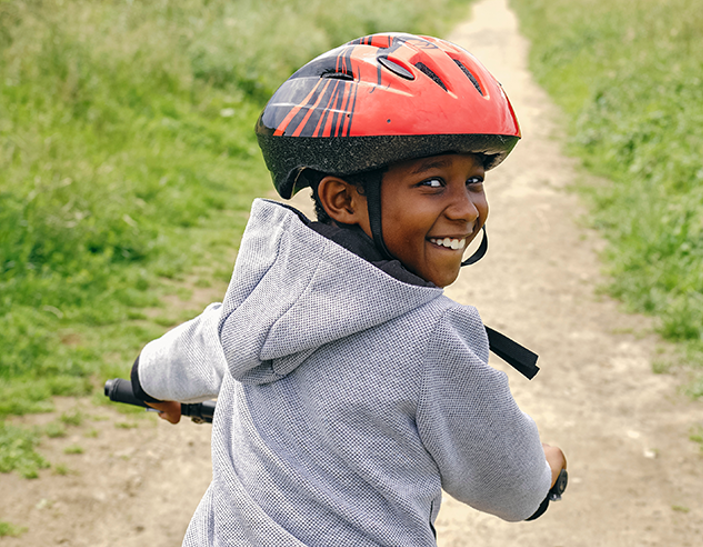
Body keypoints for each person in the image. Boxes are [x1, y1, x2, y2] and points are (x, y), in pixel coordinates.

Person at [126, 32, 567, 546]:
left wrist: (144, 379)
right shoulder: (433, 342)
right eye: (432, 183)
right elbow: (512, 487)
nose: (466, 208)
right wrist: (545, 472)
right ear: (342, 199)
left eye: (474, 180)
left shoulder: (264, 305)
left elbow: (187, 353)